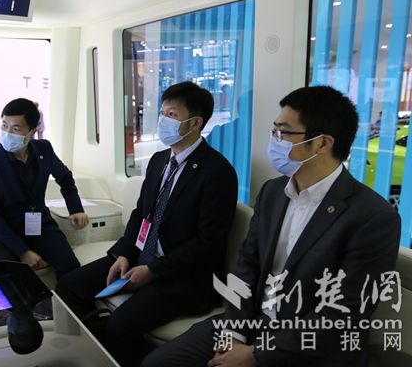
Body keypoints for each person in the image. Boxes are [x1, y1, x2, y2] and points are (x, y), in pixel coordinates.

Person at [141, 86, 401, 367]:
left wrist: (254, 355)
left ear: (322, 144)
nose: (274, 141)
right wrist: (234, 333)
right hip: (251, 321)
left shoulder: (372, 217)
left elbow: (343, 315)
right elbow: (247, 265)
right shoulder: (273, 193)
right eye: (274, 131)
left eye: (283, 133)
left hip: (310, 346)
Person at [56, 81, 238, 367]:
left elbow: (207, 245)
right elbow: (142, 214)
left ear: (195, 123)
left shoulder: (217, 172)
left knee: (120, 326)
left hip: (183, 276)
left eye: (172, 115)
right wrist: (124, 253)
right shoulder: (159, 160)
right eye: (162, 113)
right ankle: (88, 356)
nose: (163, 121)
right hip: (141, 256)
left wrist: (153, 270)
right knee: (68, 287)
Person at [0, 98, 89, 279]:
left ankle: (65, 298)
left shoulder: (44, 149)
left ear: (32, 132)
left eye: (15, 128)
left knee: (70, 268)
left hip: (40, 227)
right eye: (4, 126)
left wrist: (75, 208)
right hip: (4, 234)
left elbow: (65, 177)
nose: (7, 133)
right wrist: (23, 252)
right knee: (8, 278)